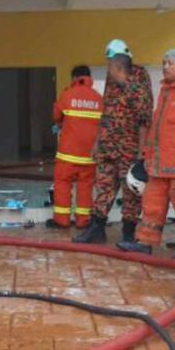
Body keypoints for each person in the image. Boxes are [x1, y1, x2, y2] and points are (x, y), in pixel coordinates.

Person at [117, 49, 175, 260]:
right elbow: (156, 130)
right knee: (151, 207)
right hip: (157, 167)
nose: (165, 67)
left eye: (170, 63)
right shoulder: (165, 93)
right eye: (164, 62)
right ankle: (145, 242)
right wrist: (146, 156)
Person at [74, 39, 153, 244]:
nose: (107, 67)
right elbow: (105, 111)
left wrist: (142, 152)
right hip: (108, 145)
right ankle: (97, 228)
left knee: (130, 192)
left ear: (120, 62)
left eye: (110, 62)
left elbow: (145, 119)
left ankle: (129, 232)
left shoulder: (139, 79)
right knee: (103, 186)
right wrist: (96, 143)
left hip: (129, 147)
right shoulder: (111, 79)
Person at [48, 65, 104, 229]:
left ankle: (62, 220)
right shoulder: (98, 98)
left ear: (74, 78)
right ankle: (83, 221)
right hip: (89, 155)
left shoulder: (67, 95)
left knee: (62, 183)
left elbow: (56, 116)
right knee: (86, 186)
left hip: (68, 154)